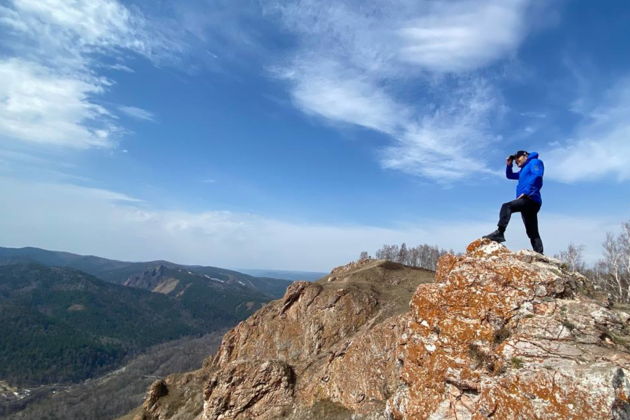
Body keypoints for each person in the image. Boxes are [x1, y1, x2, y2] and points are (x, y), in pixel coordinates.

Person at [483, 150, 544, 254]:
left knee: (507, 206)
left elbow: (538, 176)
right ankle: (540, 253)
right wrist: (509, 165)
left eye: (518, 159)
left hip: (530, 199)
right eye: (515, 161)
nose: (516, 162)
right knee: (532, 232)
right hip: (527, 201)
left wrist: (526, 192)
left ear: (525, 155)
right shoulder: (522, 170)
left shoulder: (534, 162)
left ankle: (500, 232)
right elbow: (510, 175)